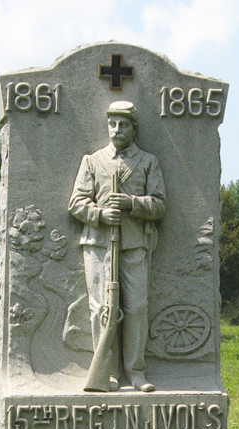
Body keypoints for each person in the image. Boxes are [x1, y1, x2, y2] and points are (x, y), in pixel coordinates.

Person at [69, 101, 165, 392]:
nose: (116, 129)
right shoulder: (93, 160)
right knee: (101, 309)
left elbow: (160, 205)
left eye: (123, 124)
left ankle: (136, 372)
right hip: (98, 244)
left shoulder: (148, 161)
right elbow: (76, 202)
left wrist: (132, 203)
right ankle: (106, 372)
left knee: (136, 307)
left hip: (133, 244)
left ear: (134, 128)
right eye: (112, 123)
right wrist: (99, 214)